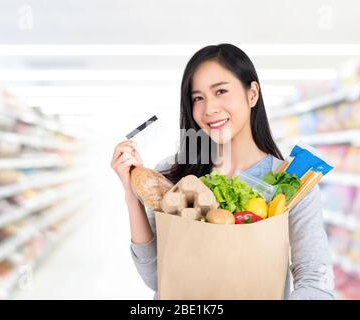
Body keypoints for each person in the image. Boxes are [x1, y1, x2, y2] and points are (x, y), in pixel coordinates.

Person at [110, 43, 334, 300]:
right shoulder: (173, 175)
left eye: (221, 91)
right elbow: (156, 278)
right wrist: (131, 194)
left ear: (252, 94)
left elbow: (316, 281)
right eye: (198, 98)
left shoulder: (292, 182)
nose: (209, 109)